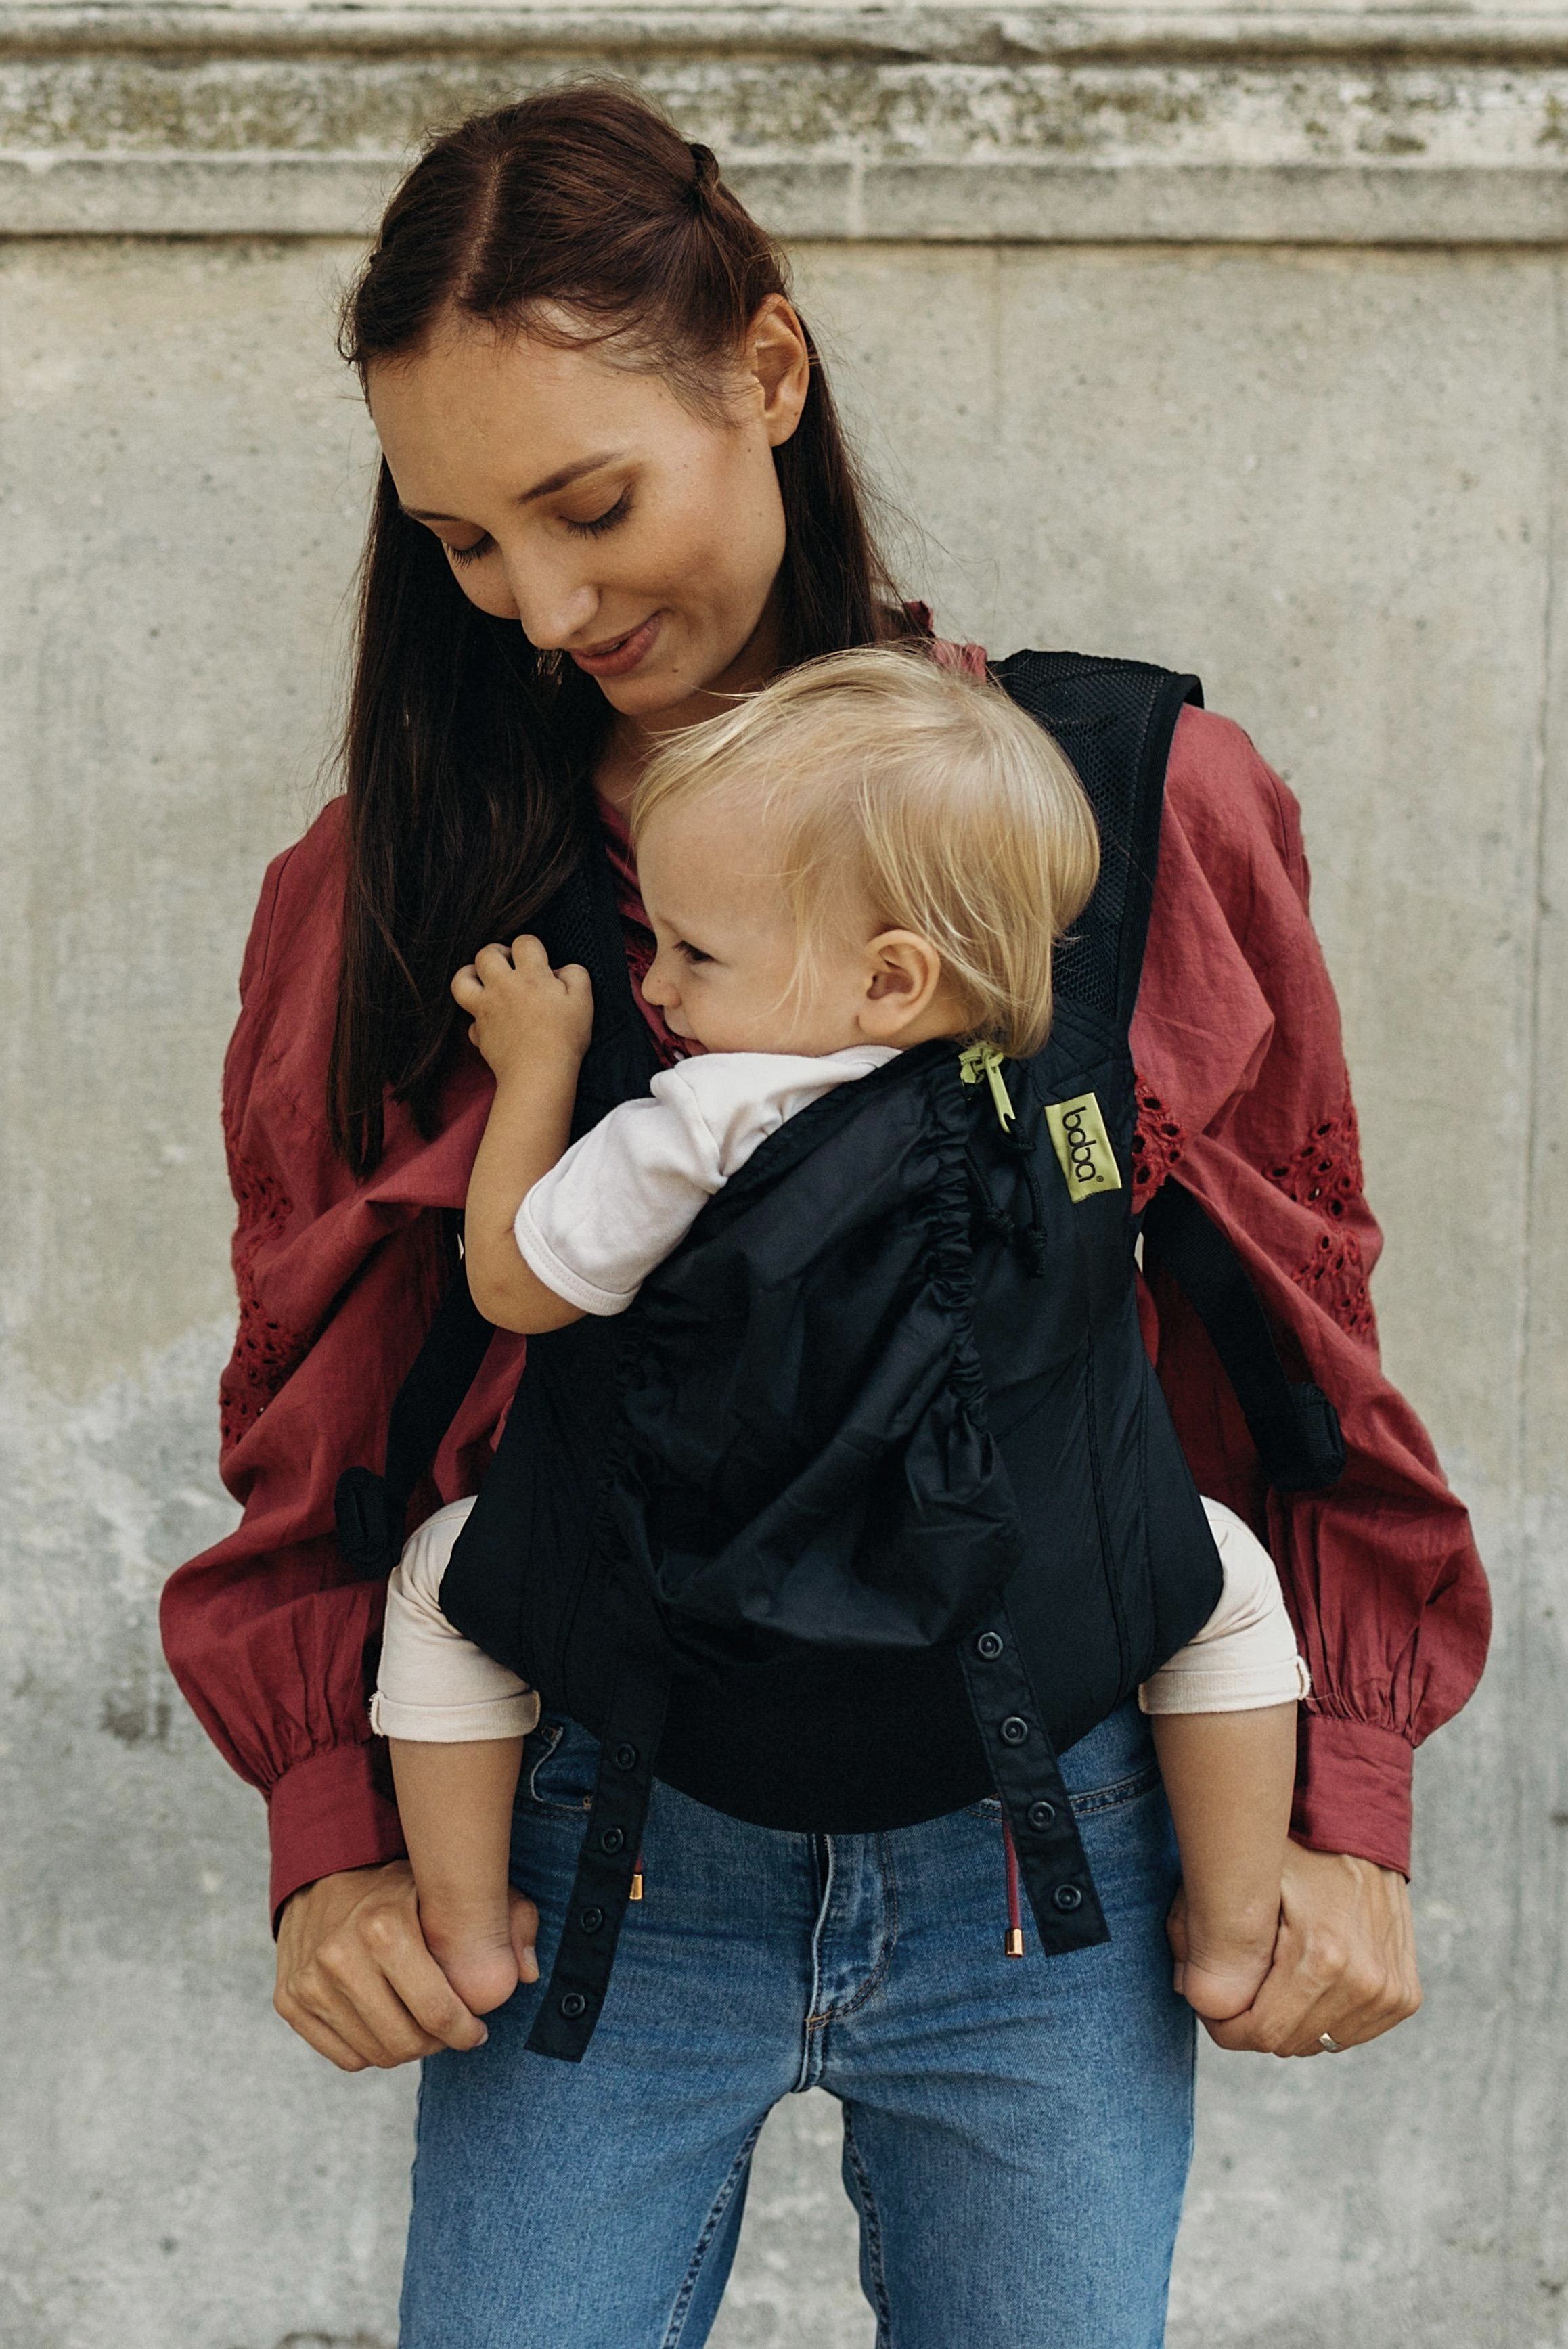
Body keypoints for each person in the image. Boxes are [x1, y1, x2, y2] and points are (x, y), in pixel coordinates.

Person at [160, 83, 1489, 2348]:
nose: (545, 605)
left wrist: (1337, 1798)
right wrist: (336, 1828)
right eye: (466, 544)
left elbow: (1294, 1314)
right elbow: (323, 1382)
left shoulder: (1124, 808)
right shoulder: (402, 891)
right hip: (595, 1837)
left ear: (763, 378)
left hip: (1040, 1850)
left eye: (587, 504)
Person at [374, 646, 1311, 2036]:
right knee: (1222, 1575)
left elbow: (518, 1286)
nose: (659, 992)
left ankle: (460, 1924)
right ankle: (1235, 1930)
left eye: (693, 950)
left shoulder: (701, 1120)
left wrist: (539, 1070)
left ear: (886, 976)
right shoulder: (1019, 1084)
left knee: (444, 1580)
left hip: (716, 1552)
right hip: (978, 1550)